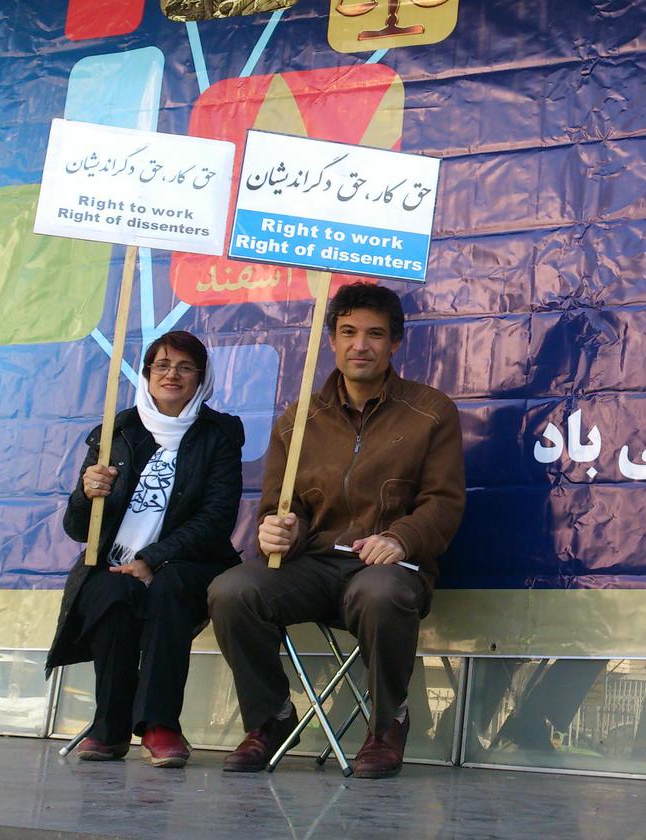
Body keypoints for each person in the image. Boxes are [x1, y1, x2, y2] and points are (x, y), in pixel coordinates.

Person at [209, 282, 465, 779]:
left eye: (374, 334)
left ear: (395, 344)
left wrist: (400, 539)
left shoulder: (431, 411)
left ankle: (388, 724)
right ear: (331, 340)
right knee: (231, 590)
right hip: (312, 568)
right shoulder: (298, 420)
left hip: (389, 571)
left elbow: (444, 502)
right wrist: (276, 532)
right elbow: (277, 509)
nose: (360, 345)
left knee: (379, 593)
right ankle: (272, 718)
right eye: (348, 332)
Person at [46, 331, 244, 767]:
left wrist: (152, 559)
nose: (171, 374)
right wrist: (85, 493)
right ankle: (109, 728)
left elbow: (215, 521)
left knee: (168, 587)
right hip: (114, 562)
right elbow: (80, 529)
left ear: (201, 378)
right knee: (113, 594)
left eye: (185, 367)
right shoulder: (116, 432)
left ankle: (160, 726)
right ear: (147, 373)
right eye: (161, 365)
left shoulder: (219, 435)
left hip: (189, 563)